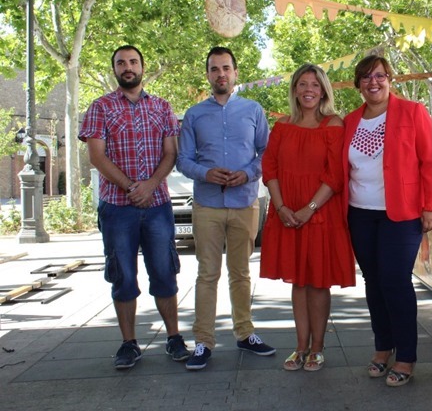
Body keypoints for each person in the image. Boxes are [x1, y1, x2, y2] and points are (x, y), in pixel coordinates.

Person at [79, 44, 190, 370]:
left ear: (142, 66)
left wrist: (151, 184)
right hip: (117, 207)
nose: (127, 67)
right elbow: (96, 156)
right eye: (121, 62)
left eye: (132, 61)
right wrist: (131, 187)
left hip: (157, 205)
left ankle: (173, 337)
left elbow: (171, 152)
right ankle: (129, 344)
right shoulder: (99, 107)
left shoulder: (162, 107)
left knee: (165, 272)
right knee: (123, 276)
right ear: (114, 68)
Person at [177, 46, 275, 371]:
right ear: (207, 74)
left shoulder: (253, 110)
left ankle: (245, 333)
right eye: (214, 69)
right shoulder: (193, 115)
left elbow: (266, 152)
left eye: (226, 68)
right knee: (207, 274)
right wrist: (206, 173)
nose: (221, 74)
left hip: (245, 202)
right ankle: (203, 341)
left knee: (241, 273)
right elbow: (183, 160)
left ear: (235, 73)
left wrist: (247, 173)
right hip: (206, 205)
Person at [342, 55, 432, 387]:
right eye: (366, 78)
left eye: (379, 76)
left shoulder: (412, 112)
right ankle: (383, 348)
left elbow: (429, 161)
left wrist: (430, 207)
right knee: (373, 282)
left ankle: (406, 356)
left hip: (402, 213)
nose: (374, 82)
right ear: (358, 85)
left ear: (389, 79)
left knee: (395, 281)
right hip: (360, 214)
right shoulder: (350, 121)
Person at [260, 64, 355, 372]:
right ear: (295, 90)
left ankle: (317, 348)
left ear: (323, 89)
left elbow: (335, 175)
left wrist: (308, 208)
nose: (309, 89)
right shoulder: (282, 125)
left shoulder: (334, 124)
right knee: (298, 283)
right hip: (286, 213)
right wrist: (282, 207)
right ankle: (300, 347)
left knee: (317, 282)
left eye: (315, 84)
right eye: (302, 84)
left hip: (320, 214)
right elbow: (270, 168)